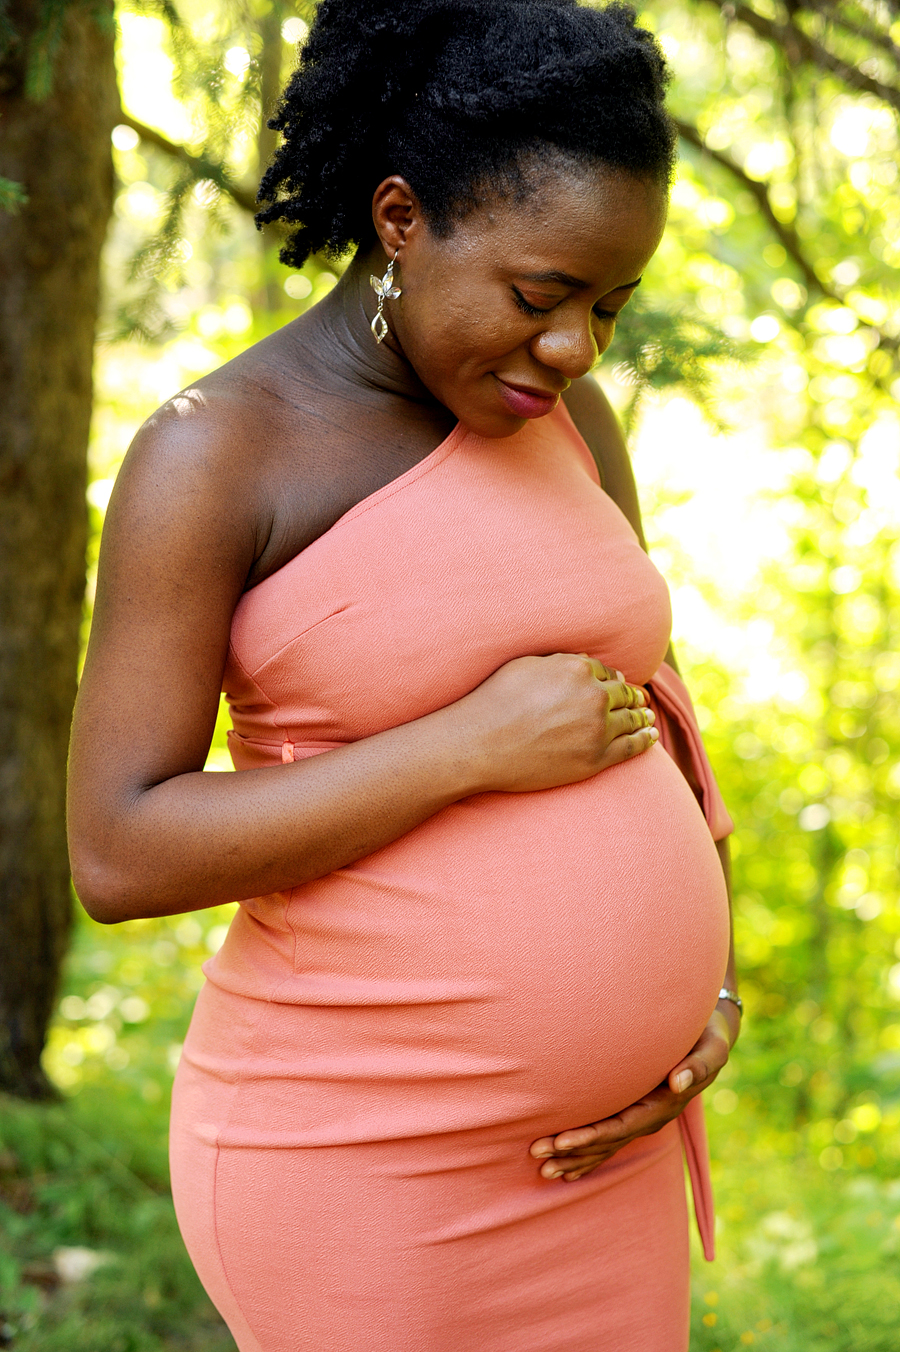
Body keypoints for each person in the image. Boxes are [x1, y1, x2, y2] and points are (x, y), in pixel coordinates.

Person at [67, 1, 741, 1348]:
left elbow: (654, 709)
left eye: (610, 307)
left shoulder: (570, 418)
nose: (575, 350)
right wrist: (462, 748)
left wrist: (705, 988)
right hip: (364, 1162)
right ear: (398, 219)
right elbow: (121, 849)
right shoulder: (218, 456)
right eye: (540, 296)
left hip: (603, 1169)